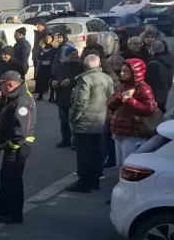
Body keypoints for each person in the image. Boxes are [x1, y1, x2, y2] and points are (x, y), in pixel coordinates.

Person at [0, 72, 37, 224]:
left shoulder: (22, 99)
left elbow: (23, 127)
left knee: (13, 181)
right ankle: (0, 208)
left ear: (9, 85)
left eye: (2, 84)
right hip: (11, 145)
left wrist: (12, 142)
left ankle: (14, 215)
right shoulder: (13, 97)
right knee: (5, 178)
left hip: (17, 146)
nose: (0, 86)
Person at [68, 54, 113, 192]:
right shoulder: (107, 78)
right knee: (97, 152)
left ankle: (84, 182)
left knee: (84, 153)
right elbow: (111, 98)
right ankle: (95, 180)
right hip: (100, 120)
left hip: (85, 123)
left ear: (85, 65)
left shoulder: (85, 79)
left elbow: (81, 102)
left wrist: (73, 117)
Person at [108, 58, 159, 167]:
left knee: (129, 165)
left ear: (135, 72)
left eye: (126, 71)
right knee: (120, 164)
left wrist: (131, 101)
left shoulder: (143, 88)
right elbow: (109, 104)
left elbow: (150, 109)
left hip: (133, 133)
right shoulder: (122, 86)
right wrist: (120, 97)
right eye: (121, 70)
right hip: (119, 131)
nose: (122, 73)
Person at [51, 46, 84, 148]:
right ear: (66, 55)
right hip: (62, 96)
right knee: (63, 120)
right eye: (72, 54)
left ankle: (76, 141)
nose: (75, 56)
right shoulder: (59, 65)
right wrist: (53, 82)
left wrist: (71, 81)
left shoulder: (81, 66)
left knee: (75, 120)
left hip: (75, 96)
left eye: (75, 54)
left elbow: (83, 79)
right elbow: (52, 77)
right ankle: (66, 140)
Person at [146, 39, 174, 112]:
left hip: (158, 98)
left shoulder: (153, 64)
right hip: (168, 93)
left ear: (152, 50)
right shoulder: (171, 58)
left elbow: (149, 82)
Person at [34, 34, 57, 101]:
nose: (47, 39)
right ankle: (40, 95)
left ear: (52, 39)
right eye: (46, 37)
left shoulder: (54, 47)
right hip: (42, 66)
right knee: (40, 80)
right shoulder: (41, 46)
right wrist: (44, 54)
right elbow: (38, 56)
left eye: (49, 38)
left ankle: (52, 97)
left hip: (50, 66)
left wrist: (44, 53)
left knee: (50, 81)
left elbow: (52, 55)